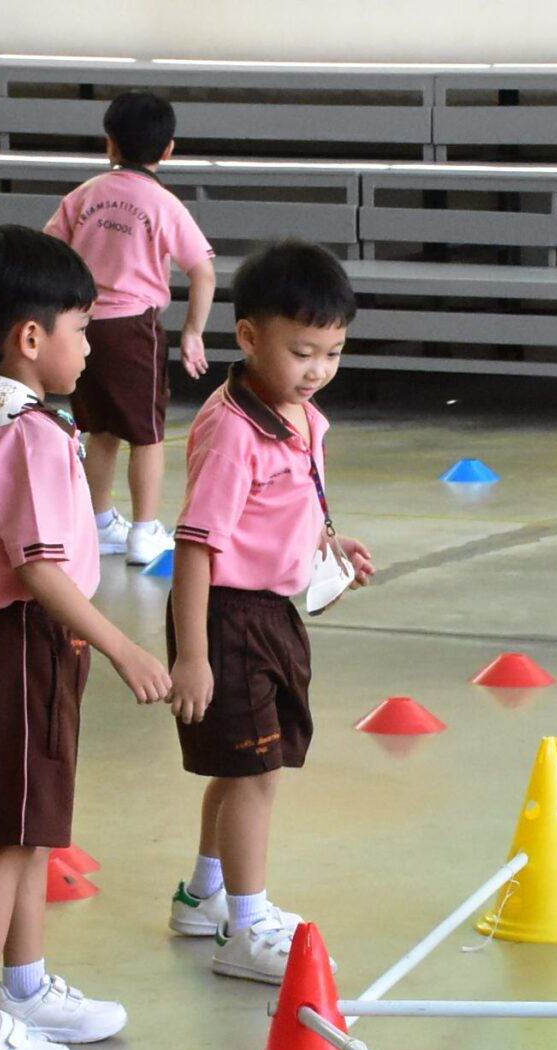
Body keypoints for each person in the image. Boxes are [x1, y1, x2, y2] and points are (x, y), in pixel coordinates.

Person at [0, 226, 173, 1050]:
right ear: (31, 338)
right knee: (7, 841)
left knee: (30, 833)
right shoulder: (27, 433)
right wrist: (122, 646)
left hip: (7, 640)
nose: (91, 345)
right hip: (28, 641)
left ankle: (23, 989)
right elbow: (38, 567)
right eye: (82, 328)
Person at [164, 241, 374, 983]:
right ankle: (246, 928)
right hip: (228, 619)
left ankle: (206, 896)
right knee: (254, 773)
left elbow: (284, 509)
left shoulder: (300, 416)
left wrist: (326, 545)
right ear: (249, 336)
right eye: (302, 352)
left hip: (271, 611)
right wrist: (193, 654)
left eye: (333, 353)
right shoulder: (233, 432)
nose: (318, 370)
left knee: (247, 764)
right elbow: (196, 546)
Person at [44, 92, 218, 571]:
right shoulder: (164, 204)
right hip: (134, 330)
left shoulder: (84, 195)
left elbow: (48, 253)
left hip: (80, 328)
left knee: (98, 428)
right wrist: (193, 332)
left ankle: (99, 523)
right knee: (147, 434)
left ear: (110, 143)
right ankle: (144, 531)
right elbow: (202, 271)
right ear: (168, 150)